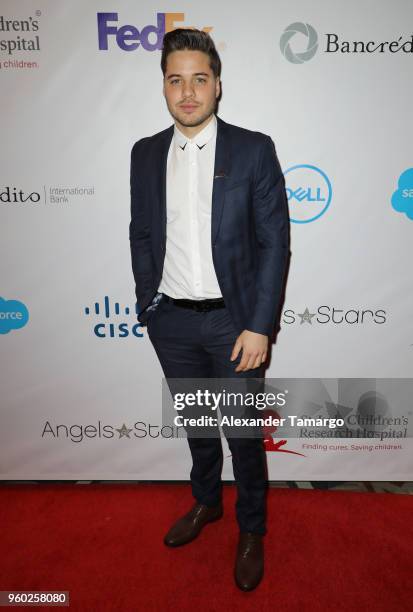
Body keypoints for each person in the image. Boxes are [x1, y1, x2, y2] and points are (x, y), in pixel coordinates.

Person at [129, 28, 290, 591]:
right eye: (176, 80)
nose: (188, 92)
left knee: (242, 435)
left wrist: (259, 324)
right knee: (198, 427)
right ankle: (206, 504)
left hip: (234, 322)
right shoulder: (145, 153)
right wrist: (148, 304)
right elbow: (142, 233)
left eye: (200, 79)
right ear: (165, 88)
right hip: (170, 320)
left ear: (218, 85)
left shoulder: (253, 149)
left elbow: (274, 243)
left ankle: (251, 528)